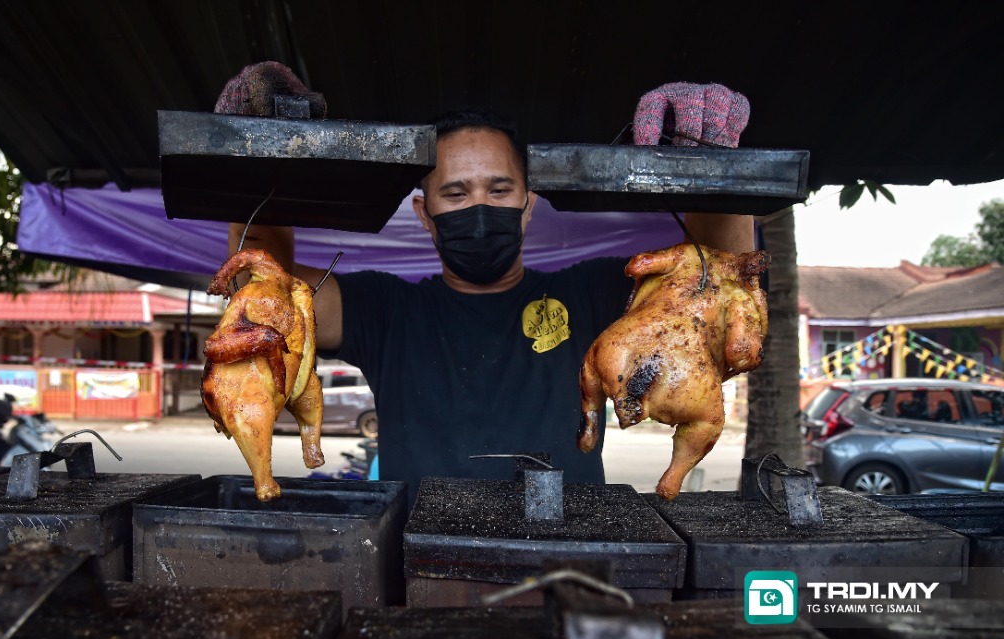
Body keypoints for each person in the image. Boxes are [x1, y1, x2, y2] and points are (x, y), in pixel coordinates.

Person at [216, 65, 754, 506]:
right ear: (425, 216)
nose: (478, 207)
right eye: (455, 193)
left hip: (574, 557)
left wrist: (715, 164)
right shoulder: (385, 310)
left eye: (499, 189)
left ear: (529, 203)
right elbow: (260, 295)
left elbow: (720, 294)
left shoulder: (597, 292)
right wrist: (251, 155)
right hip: (425, 564)